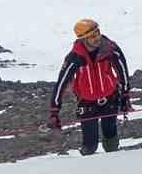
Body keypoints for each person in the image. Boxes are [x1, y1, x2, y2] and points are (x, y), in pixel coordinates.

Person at [48, 19, 130, 155]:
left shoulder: (110, 49)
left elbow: (123, 72)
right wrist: (54, 112)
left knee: (111, 142)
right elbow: (61, 83)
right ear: (83, 39)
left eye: (97, 33)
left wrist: (125, 96)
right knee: (90, 145)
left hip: (110, 97)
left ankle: (116, 165)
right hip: (87, 103)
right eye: (92, 36)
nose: (97, 37)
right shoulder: (74, 57)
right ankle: (88, 170)